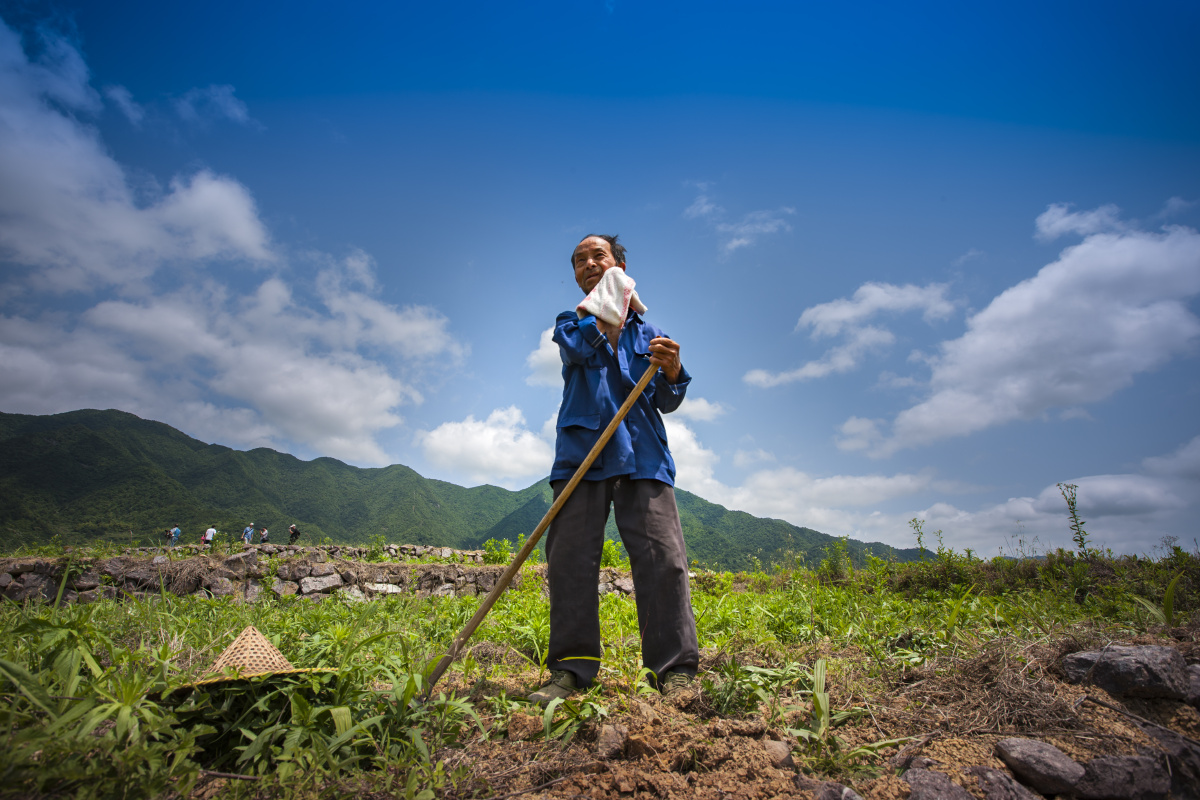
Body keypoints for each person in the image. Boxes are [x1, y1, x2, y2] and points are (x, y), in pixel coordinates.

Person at [528, 234, 699, 705]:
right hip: (582, 455)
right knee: (570, 561)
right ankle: (571, 670)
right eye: (579, 260)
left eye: (597, 256)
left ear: (619, 265)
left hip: (642, 454)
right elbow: (578, 350)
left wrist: (672, 368)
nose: (587, 264)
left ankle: (674, 671)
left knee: (663, 560)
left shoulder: (649, 332)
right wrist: (600, 313)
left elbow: (668, 399)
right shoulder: (572, 322)